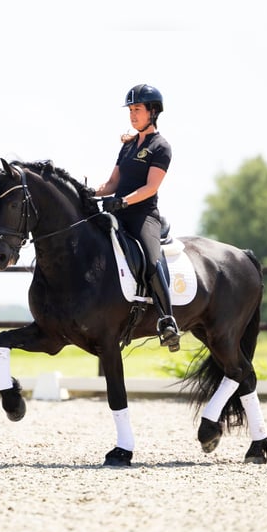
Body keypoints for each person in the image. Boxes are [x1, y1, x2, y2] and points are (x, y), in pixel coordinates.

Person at [94, 83, 180, 352]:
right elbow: (112, 183)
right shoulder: (128, 146)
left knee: (152, 261)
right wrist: (89, 192)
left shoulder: (160, 146)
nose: (132, 115)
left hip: (143, 216)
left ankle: (168, 321)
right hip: (117, 212)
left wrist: (123, 200)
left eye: (137, 109)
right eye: (130, 110)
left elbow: (151, 187)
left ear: (152, 112)